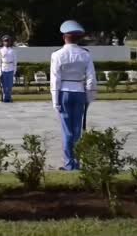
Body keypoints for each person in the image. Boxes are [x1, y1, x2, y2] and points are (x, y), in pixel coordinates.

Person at [50, 20, 97, 171]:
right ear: (78, 38)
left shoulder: (57, 55)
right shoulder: (85, 54)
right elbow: (91, 79)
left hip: (64, 92)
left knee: (67, 130)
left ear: (64, 37)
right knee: (77, 129)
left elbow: (55, 79)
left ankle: (70, 163)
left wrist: (55, 100)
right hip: (79, 92)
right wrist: (89, 98)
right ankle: (77, 161)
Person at [0, 35, 17, 103]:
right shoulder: (0, 50)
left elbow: (15, 61)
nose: (6, 42)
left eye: (8, 41)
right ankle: (5, 98)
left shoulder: (12, 51)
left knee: (10, 85)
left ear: (10, 42)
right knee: (4, 85)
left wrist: (14, 70)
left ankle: (9, 97)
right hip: (3, 68)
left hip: (10, 68)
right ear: (3, 42)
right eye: (5, 41)